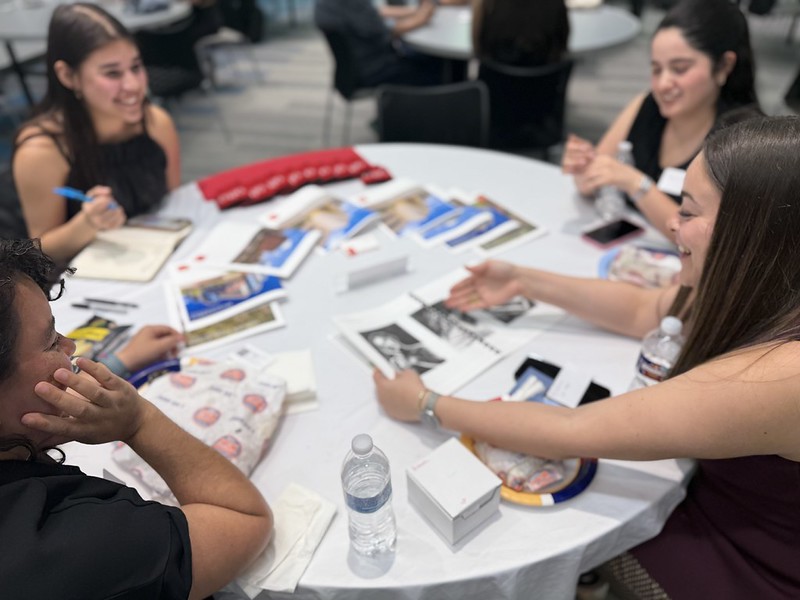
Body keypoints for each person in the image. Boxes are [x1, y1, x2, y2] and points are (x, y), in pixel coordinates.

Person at [374, 115, 800, 598]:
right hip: (727, 500)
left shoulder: (780, 375)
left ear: (752, 233)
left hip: (747, 563)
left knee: (531, 543)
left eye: (688, 211)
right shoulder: (769, 282)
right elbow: (648, 308)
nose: (670, 224)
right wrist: (524, 281)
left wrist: (426, 404)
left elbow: (569, 432)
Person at [0, 238, 272, 598]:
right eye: (51, 342)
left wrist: (118, 363)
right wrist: (138, 421)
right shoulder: (74, 539)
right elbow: (243, 519)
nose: (71, 348)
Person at [561, 0, 758, 240]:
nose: (663, 84)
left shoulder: (744, 142)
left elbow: (710, 242)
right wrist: (583, 169)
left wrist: (638, 185)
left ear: (724, 66)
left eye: (680, 68)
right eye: (656, 70)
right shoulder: (648, 105)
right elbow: (596, 177)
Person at [3, 3, 181, 266]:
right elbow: (39, 251)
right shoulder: (42, 150)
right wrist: (85, 225)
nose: (133, 85)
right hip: (81, 276)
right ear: (68, 75)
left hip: (155, 258)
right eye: (112, 73)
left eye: (136, 67)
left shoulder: (156, 122)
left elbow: (177, 205)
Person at [314, 0, 444, 88]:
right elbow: (387, 32)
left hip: (352, 71)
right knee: (442, 65)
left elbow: (374, 14)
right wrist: (420, 18)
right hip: (375, 70)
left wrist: (415, 12)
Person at [472, 0, 569, 67]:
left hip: (494, 88)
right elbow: (562, 45)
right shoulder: (555, 4)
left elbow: (479, 48)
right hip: (545, 88)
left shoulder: (489, 5)